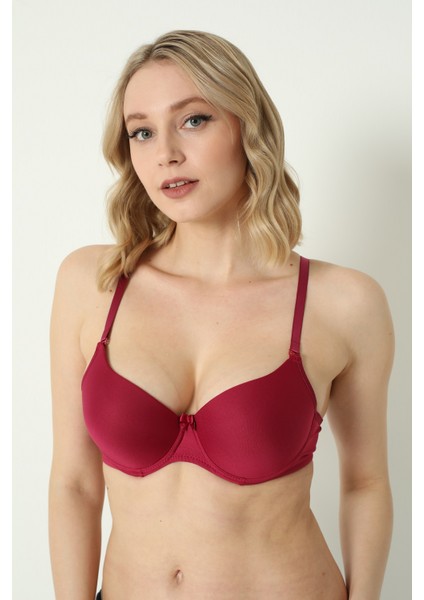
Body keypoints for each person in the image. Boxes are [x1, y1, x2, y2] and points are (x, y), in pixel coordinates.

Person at [48, 30, 394, 600]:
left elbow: (366, 482)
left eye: (193, 120)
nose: (166, 153)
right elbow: (74, 484)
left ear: (247, 127)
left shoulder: (343, 302)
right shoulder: (93, 283)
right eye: (142, 131)